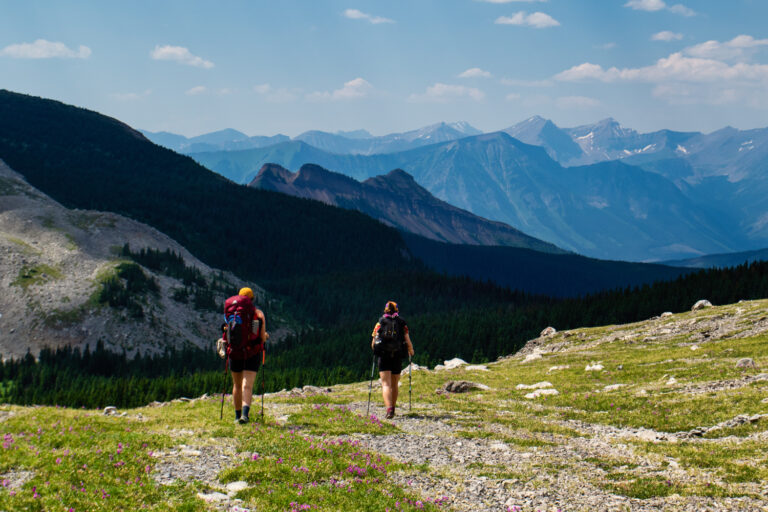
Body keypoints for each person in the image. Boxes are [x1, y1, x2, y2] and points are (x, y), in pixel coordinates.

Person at [224, 287, 267, 424]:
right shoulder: (258, 314)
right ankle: (245, 415)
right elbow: (262, 337)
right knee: (247, 385)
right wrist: (265, 336)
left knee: (236, 385)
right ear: (252, 299)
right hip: (252, 351)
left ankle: (236, 417)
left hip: (235, 351)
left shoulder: (232, 312)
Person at [371, 301, 414, 419]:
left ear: (385, 310)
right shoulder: (402, 323)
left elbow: (374, 343)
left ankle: (389, 410)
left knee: (386, 384)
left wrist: (376, 349)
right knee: (394, 384)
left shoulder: (379, 323)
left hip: (383, 356)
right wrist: (411, 351)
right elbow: (407, 340)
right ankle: (393, 408)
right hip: (397, 355)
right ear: (397, 310)